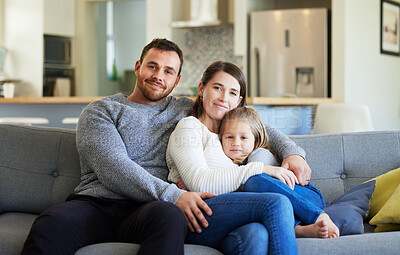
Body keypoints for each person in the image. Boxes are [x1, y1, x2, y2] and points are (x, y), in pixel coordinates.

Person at [22, 39, 305, 255]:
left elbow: (254, 126)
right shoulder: (102, 111)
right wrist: (172, 193)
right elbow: (113, 168)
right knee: (51, 223)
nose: (159, 75)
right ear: (138, 67)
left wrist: (292, 152)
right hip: (98, 204)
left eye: (168, 71)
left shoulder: (185, 108)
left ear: (178, 80)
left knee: (169, 217)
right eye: (153, 66)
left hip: (152, 208)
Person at [218, 106, 339, 238]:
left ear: (255, 140)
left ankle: (318, 216)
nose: (236, 143)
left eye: (243, 138)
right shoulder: (225, 163)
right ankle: (298, 230)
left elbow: (253, 179)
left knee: (254, 182)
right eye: (229, 137)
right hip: (281, 210)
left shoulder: (260, 154)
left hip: (305, 197)